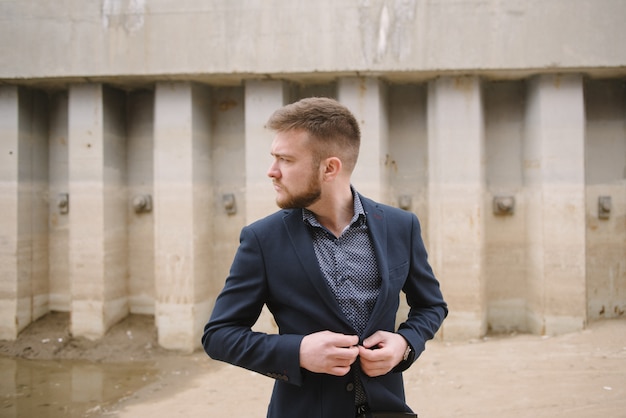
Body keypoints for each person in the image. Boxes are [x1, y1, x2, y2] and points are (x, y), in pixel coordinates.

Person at [202, 97, 447, 418]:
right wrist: (298, 351)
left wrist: (406, 344)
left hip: (388, 409)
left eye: (285, 160)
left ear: (330, 167)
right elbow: (219, 335)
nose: (271, 172)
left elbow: (431, 305)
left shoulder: (402, 226)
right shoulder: (261, 239)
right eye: (273, 158)